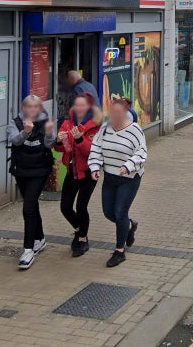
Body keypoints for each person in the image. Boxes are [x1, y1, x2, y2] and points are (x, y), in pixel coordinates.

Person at [89, 97, 148, 267]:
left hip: (128, 178)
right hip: (110, 177)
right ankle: (129, 226)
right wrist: (94, 167)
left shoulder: (135, 130)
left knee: (120, 212)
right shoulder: (105, 129)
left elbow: (141, 153)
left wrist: (128, 166)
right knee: (109, 213)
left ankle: (119, 251)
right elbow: (96, 147)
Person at [8, 95, 54, 269]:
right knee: (32, 205)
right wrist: (25, 131)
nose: (33, 110)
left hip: (40, 170)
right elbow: (15, 141)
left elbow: (49, 145)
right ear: (24, 108)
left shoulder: (45, 122)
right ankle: (40, 238)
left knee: (28, 207)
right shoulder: (15, 123)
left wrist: (49, 133)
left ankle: (28, 249)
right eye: (29, 107)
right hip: (21, 170)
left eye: (36, 107)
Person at [57, 92, 101, 257]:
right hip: (72, 172)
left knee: (81, 207)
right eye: (77, 105)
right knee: (65, 207)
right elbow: (61, 149)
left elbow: (93, 152)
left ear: (89, 107)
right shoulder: (67, 123)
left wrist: (80, 140)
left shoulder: (95, 127)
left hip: (89, 173)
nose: (79, 108)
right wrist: (59, 140)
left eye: (83, 105)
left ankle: (83, 239)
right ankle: (78, 229)